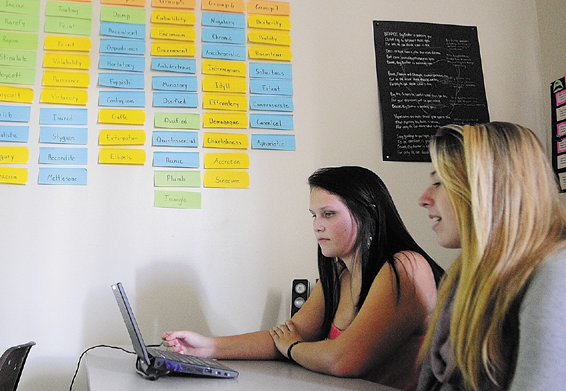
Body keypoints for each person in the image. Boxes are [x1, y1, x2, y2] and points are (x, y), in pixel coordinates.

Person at [163, 166, 444, 390]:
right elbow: (284, 336)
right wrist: (207, 347)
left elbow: (342, 360)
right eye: (314, 215)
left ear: (368, 212)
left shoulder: (405, 267)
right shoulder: (339, 273)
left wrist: (295, 347)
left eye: (329, 214)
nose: (317, 226)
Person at [417, 122, 566, 391]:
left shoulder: (556, 272)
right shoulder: (462, 275)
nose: (424, 199)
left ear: (490, 189)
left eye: (439, 182)